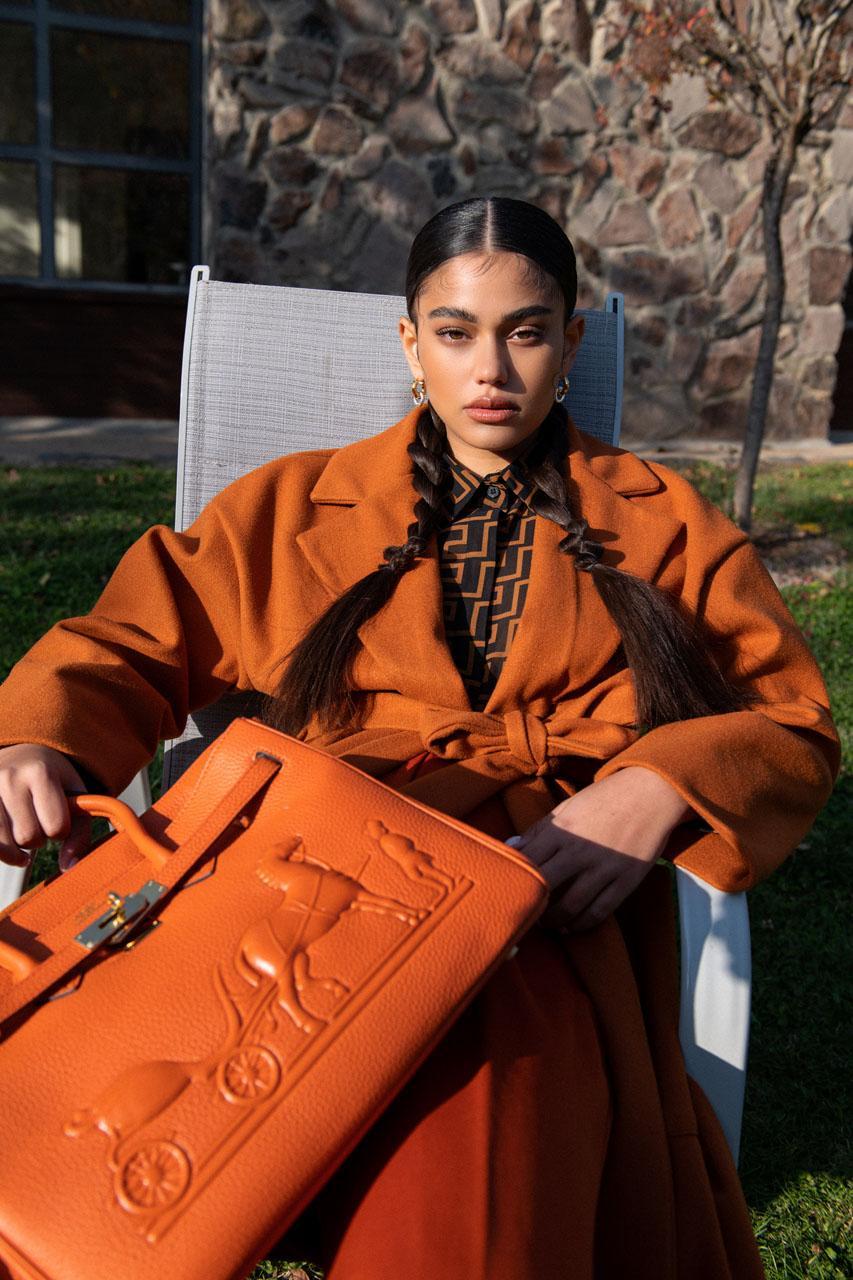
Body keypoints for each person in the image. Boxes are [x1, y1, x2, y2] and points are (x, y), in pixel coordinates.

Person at [0, 197, 839, 1278]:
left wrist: (656, 787)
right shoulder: (294, 504)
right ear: (410, 343)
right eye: (454, 331)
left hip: (538, 882)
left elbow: (789, 719)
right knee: (113, 1124)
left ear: (570, 342)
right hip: (309, 872)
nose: (490, 367)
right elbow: (127, 641)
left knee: (480, 1114)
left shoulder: (666, 521)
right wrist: (42, 740)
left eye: (525, 331)